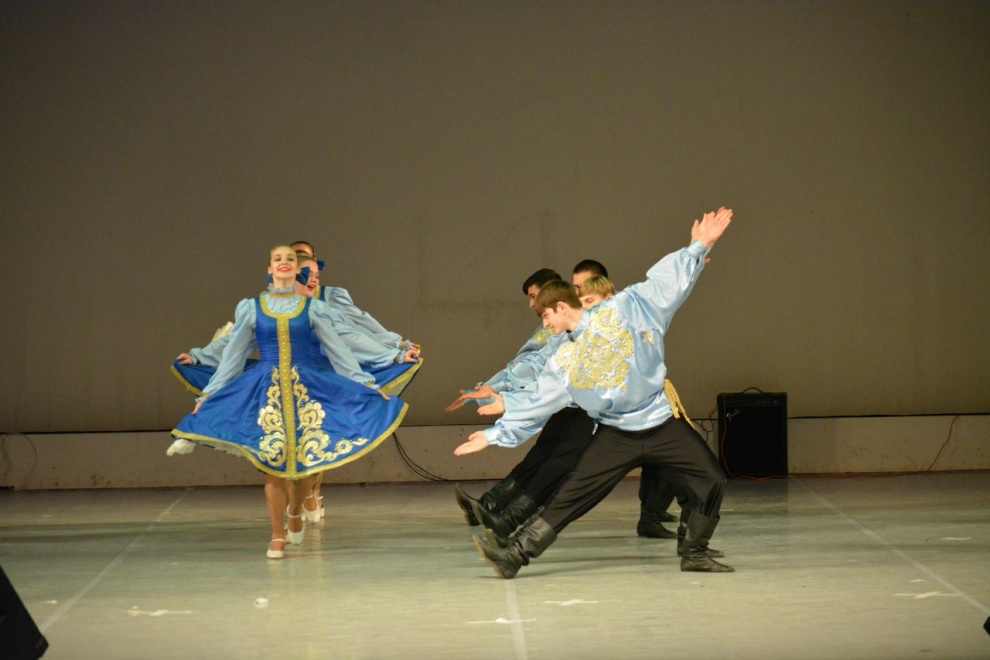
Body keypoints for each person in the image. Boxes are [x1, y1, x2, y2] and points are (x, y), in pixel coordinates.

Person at [455, 207, 734, 577]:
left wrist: (698, 247)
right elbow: (540, 400)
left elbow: (664, 286)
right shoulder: (563, 359)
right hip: (616, 434)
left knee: (711, 478)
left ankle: (694, 551)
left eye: (545, 316)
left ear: (561, 306)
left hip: (660, 422)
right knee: (571, 496)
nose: (544, 324)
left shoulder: (624, 308)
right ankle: (513, 555)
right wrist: (494, 432)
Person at [171, 246, 408, 559]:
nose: (284, 263)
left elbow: (341, 347)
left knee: (304, 466)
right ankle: (276, 534)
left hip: (308, 390)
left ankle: (296, 509)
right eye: (277, 259)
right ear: (269, 269)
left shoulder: (314, 308)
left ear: (298, 270)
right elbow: (233, 354)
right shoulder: (252, 308)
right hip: (267, 392)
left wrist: (368, 382)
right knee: (274, 465)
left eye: (290, 260)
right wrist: (209, 392)